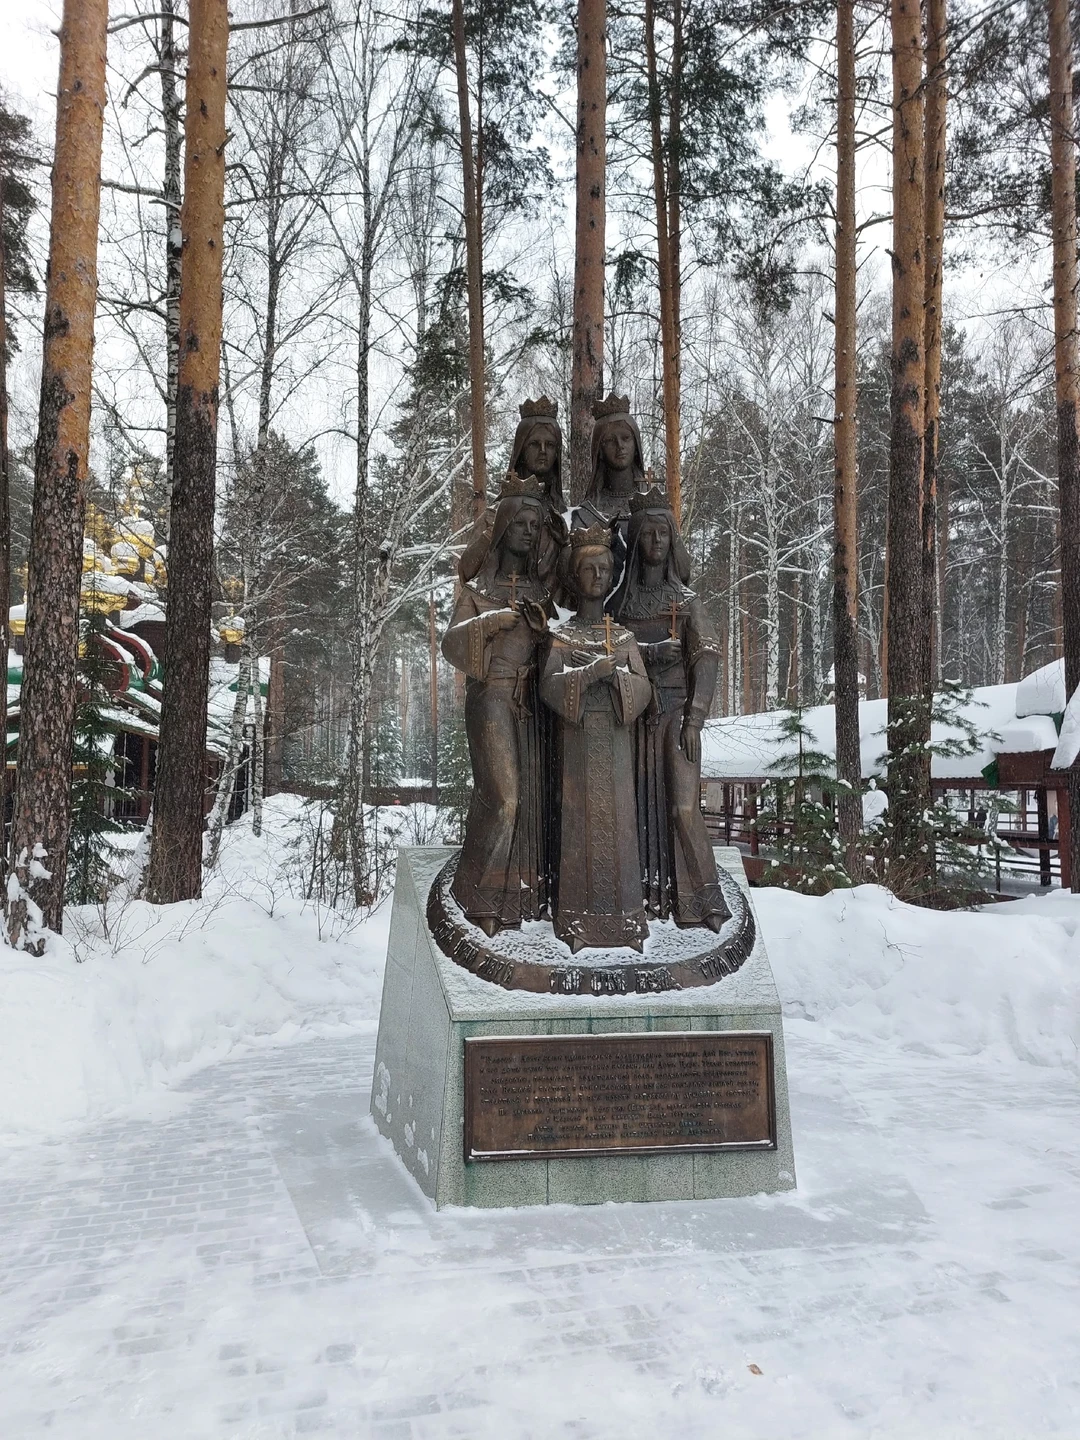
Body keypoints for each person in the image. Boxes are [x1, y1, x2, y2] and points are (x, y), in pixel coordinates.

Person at [611, 488, 729, 931]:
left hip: (678, 716)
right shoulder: (619, 607)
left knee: (682, 806)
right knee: (634, 807)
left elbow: (708, 656)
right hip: (632, 718)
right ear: (637, 540)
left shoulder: (687, 602)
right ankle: (645, 896)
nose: (656, 540)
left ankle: (705, 900)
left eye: (664, 532)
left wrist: (696, 716)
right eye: (648, 533)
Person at [441, 477, 552, 935]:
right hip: (490, 699)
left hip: (532, 705)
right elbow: (451, 645)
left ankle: (517, 896)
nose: (528, 532)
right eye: (520, 524)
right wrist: (491, 622)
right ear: (503, 529)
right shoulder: (477, 591)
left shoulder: (540, 592)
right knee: (503, 799)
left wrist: (544, 630)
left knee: (528, 802)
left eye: (534, 524)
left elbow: (558, 651)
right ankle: (478, 893)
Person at [540, 527, 653, 952]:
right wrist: (588, 675)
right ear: (574, 575)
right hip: (577, 746)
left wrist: (619, 679)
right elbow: (548, 686)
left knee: (619, 822)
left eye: (605, 568)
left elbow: (644, 689)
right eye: (588, 568)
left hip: (617, 748)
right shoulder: (563, 636)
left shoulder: (622, 637)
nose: (598, 576)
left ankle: (624, 919)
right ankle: (576, 920)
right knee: (579, 821)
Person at [571, 393, 689, 587]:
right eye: (610, 441)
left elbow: (682, 571)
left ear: (636, 444)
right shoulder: (586, 516)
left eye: (626, 438)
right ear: (599, 450)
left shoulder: (654, 507)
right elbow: (577, 578)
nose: (620, 447)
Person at [460, 397, 568, 587]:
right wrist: (494, 530)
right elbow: (466, 573)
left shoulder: (567, 518)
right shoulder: (494, 515)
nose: (543, 451)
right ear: (521, 449)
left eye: (550, 445)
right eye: (534, 444)